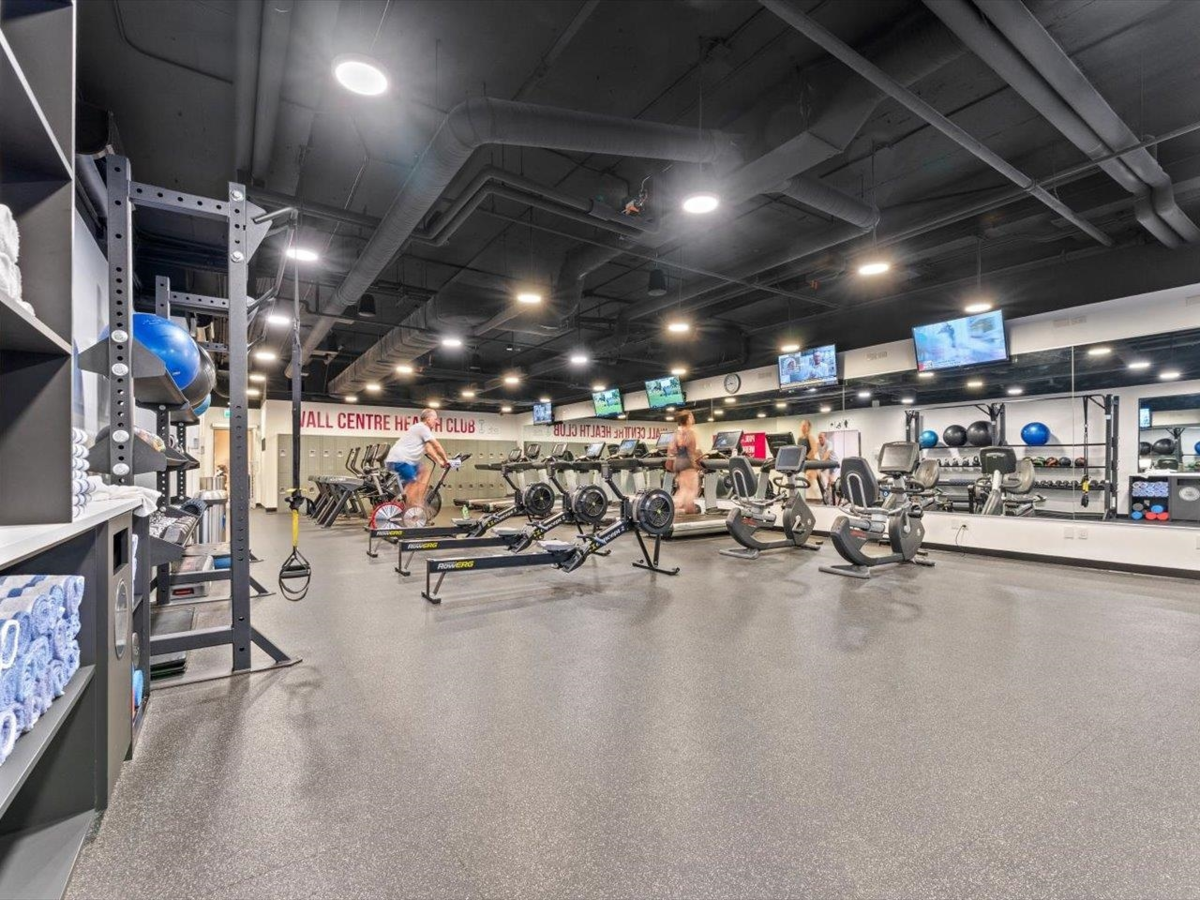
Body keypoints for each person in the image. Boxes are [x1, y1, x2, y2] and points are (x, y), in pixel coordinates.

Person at [385, 409, 456, 510]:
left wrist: (439, 461)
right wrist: (446, 460)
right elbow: (436, 445)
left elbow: (428, 449)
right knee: (413, 483)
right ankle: (410, 509)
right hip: (401, 460)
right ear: (428, 419)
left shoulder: (419, 429)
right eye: (435, 419)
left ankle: (413, 501)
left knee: (424, 471)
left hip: (402, 459)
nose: (437, 422)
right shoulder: (423, 428)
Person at [668, 409, 700, 515]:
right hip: (687, 464)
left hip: (678, 463)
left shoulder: (677, 433)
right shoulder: (690, 433)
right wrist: (697, 464)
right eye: (691, 416)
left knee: (683, 489)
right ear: (687, 420)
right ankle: (673, 507)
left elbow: (671, 449)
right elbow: (692, 452)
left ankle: (678, 508)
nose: (693, 418)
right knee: (691, 491)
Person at [797, 419, 821, 501]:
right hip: (802, 463)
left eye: (805, 426)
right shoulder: (799, 438)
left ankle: (819, 499)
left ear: (809, 427)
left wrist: (806, 458)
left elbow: (814, 450)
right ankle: (805, 499)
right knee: (802, 481)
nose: (803, 427)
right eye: (802, 426)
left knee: (812, 481)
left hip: (810, 462)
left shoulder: (810, 437)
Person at [816, 431, 839, 504]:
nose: (820, 439)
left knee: (830, 480)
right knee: (817, 474)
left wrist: (821, 463)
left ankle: (834, 499)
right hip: (824, 462)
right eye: (819, 437)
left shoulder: (829, 443)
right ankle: (825, 491)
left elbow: (827, 454)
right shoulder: (817, 445)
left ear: (825, 437)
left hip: (832, 462)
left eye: (821, 437)